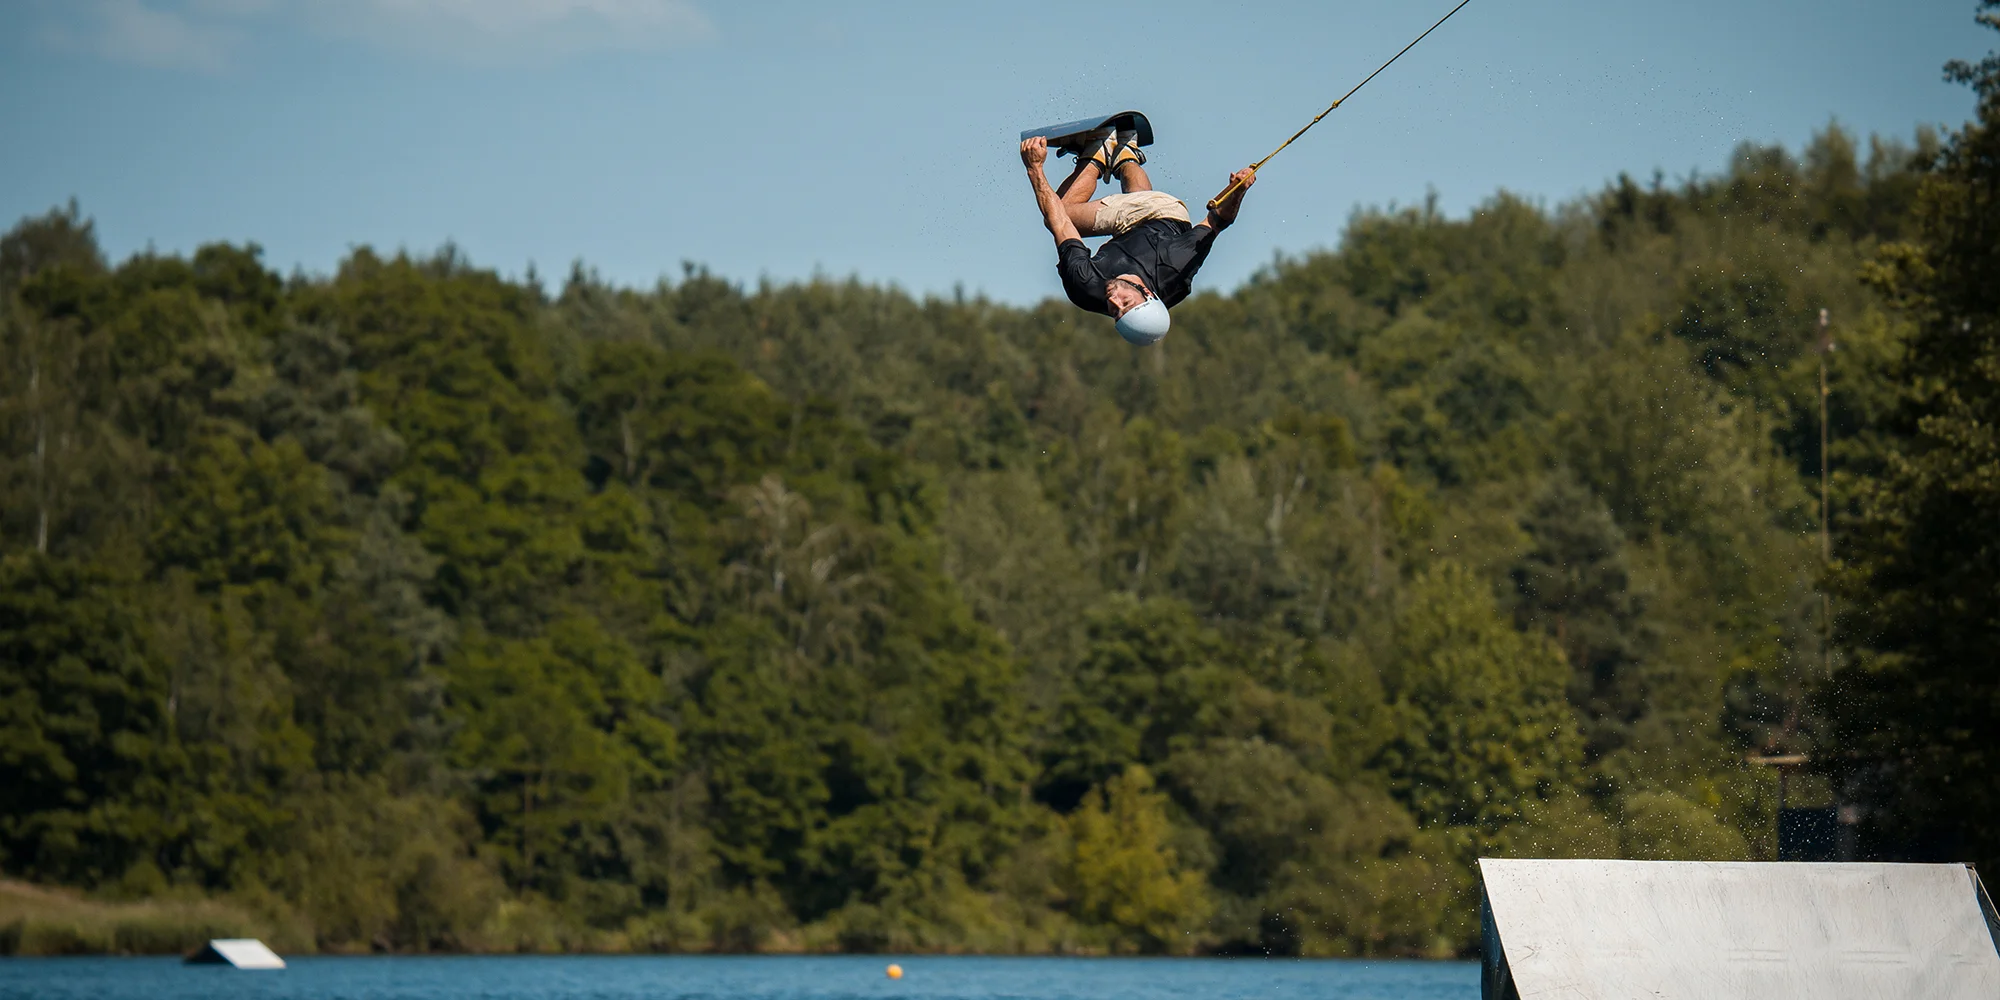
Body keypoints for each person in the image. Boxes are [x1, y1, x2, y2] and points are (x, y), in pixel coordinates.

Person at [1019, 128, 1255, 345]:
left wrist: (1034, 169)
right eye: (1126, 302)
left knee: (1062, 215)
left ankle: (1126, 151)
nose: (1114, 301)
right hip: (1166, 213)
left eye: (1115, 313)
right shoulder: (1177, 267)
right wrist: (1238, 190)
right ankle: (1096, 152)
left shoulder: (1084, 287)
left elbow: (1060, 225)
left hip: (1134, 234)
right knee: (1066, 211)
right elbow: (1216, 221)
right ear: (1148, 293)